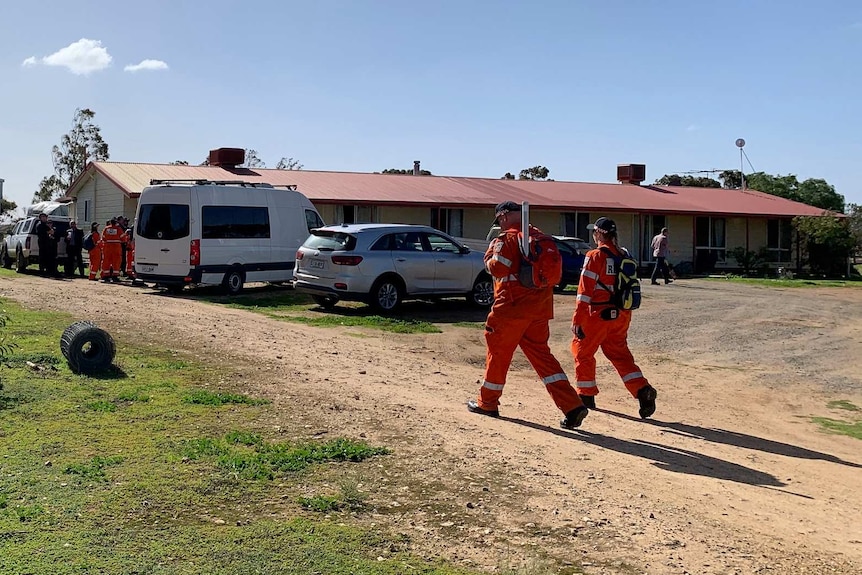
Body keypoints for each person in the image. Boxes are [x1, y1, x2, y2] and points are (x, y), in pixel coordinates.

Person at [467, 201, 588, 430]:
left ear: (503, 217)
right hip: (539, 310)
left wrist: (490, 255)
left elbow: (497, 268)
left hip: (511, 309)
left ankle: (487, 403)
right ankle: (572, 405)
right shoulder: (542, 239)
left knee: (498, 355)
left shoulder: (506, 240)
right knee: (544, 359)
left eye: (499, 220)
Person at [571, 217, 657, 418]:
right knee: (620, 355)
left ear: (599, 234)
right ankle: (642, 390)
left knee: (582, 353)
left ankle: (585, 395)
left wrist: (578, 320)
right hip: (621, 315)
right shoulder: (624, 254)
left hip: (597, 315)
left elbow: (584, 292)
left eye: (594, 232)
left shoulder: (595, 256)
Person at [100, 218, 126, 282]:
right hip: (116, 247)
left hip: (107, 247)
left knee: (106, 261)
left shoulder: (106, 229)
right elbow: (123, 238)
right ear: (116, 223)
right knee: (116, 261)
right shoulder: (118, 229)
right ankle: (115, 276)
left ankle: (106, 276)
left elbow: (103, 238)